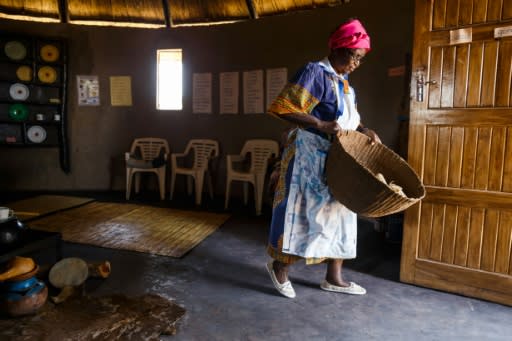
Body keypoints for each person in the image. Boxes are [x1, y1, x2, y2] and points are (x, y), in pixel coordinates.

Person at [265, 18, 380, 298]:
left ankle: (334, 277)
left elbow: (348, 120)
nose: (356, 63)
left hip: (338, 157)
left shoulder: (344, 83)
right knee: (301, 214)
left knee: (340, 213)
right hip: (308, 157)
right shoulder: (314, 72)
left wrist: (366, 130)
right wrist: (319, 124)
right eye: (354, 56)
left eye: (361, 59)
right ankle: (279, 268)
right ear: (338, 49)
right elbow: (282, 107)